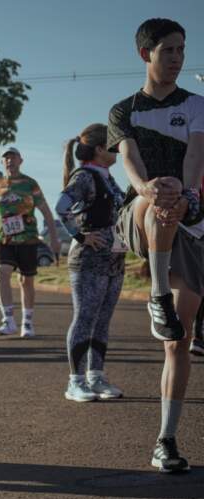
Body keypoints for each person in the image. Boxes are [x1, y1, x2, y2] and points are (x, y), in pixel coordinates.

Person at [108, 18, 204, 473]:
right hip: (139, 211)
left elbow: (195, 154)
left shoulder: (197, 105)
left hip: (187, 219)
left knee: (177, 341)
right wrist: (146, 187)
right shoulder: (123, 110)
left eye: (182, 49)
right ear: (145, 54)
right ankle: (157, 293)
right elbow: (129, 157)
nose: (177, 58)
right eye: (168, 50)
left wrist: (186, 193)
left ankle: (166, 440)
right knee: (157, 197)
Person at [56, 124, 126, 402]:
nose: (118, 149)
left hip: (114, 261)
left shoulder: (108, 177)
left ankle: (96, 377)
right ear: (99, 149)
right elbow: (62, 206)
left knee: (103, 321)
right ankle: (75, 382)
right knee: (85, 318)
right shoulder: (85, 176)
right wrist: (80, 236)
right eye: (113, 145)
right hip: (89, 262)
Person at [0, 147, 61, 337]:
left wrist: (54, 238)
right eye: (6, 158)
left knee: (26, 280)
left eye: (13, 157)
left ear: (21, 160)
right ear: (2, 162)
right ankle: (8, 321)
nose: (10, 161)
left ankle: (27, 322)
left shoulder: (30, 184)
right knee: (1, 273)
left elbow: (46, 211)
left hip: (27, 239)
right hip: (3, 239)